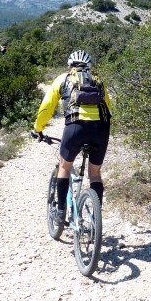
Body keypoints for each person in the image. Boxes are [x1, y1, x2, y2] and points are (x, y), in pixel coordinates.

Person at [33, 49, 112, 223]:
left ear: (70, 66)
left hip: (75, 128)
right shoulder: (98, 81)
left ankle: (60, 213)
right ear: (89, 67)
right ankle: (95, 218)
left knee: (64, 167)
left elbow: (47, 106)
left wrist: (39, 128)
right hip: (101, 129)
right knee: (95, 174)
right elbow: (109, 108)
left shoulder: (63, 79)